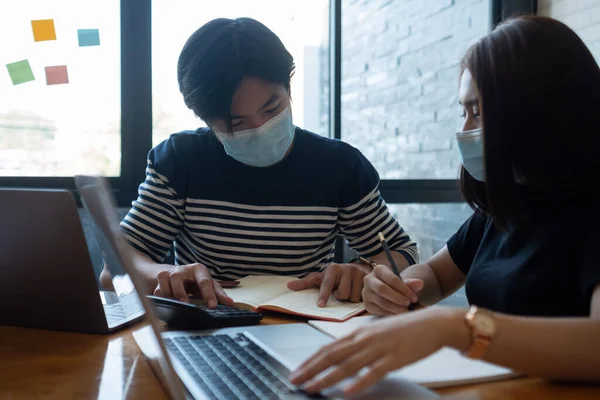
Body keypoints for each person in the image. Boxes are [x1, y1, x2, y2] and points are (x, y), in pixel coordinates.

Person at [289, 15, 600, 395]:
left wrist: (454, 328)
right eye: (463, 112)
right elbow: (435, 276)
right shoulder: (505, 205)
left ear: (542, 108)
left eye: (479, 112)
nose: (465, 129)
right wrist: (396, 289)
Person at [99, 17, 418, 308]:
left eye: (272, 108)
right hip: (207, 328)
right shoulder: (180, 161)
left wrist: (366, 270)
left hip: (311, 331)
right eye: (235, 122)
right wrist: (162, 274)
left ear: (288, 88)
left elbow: (403, 252)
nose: (259, 128)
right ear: (206, 120)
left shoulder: (339, 166)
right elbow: (117, 265)